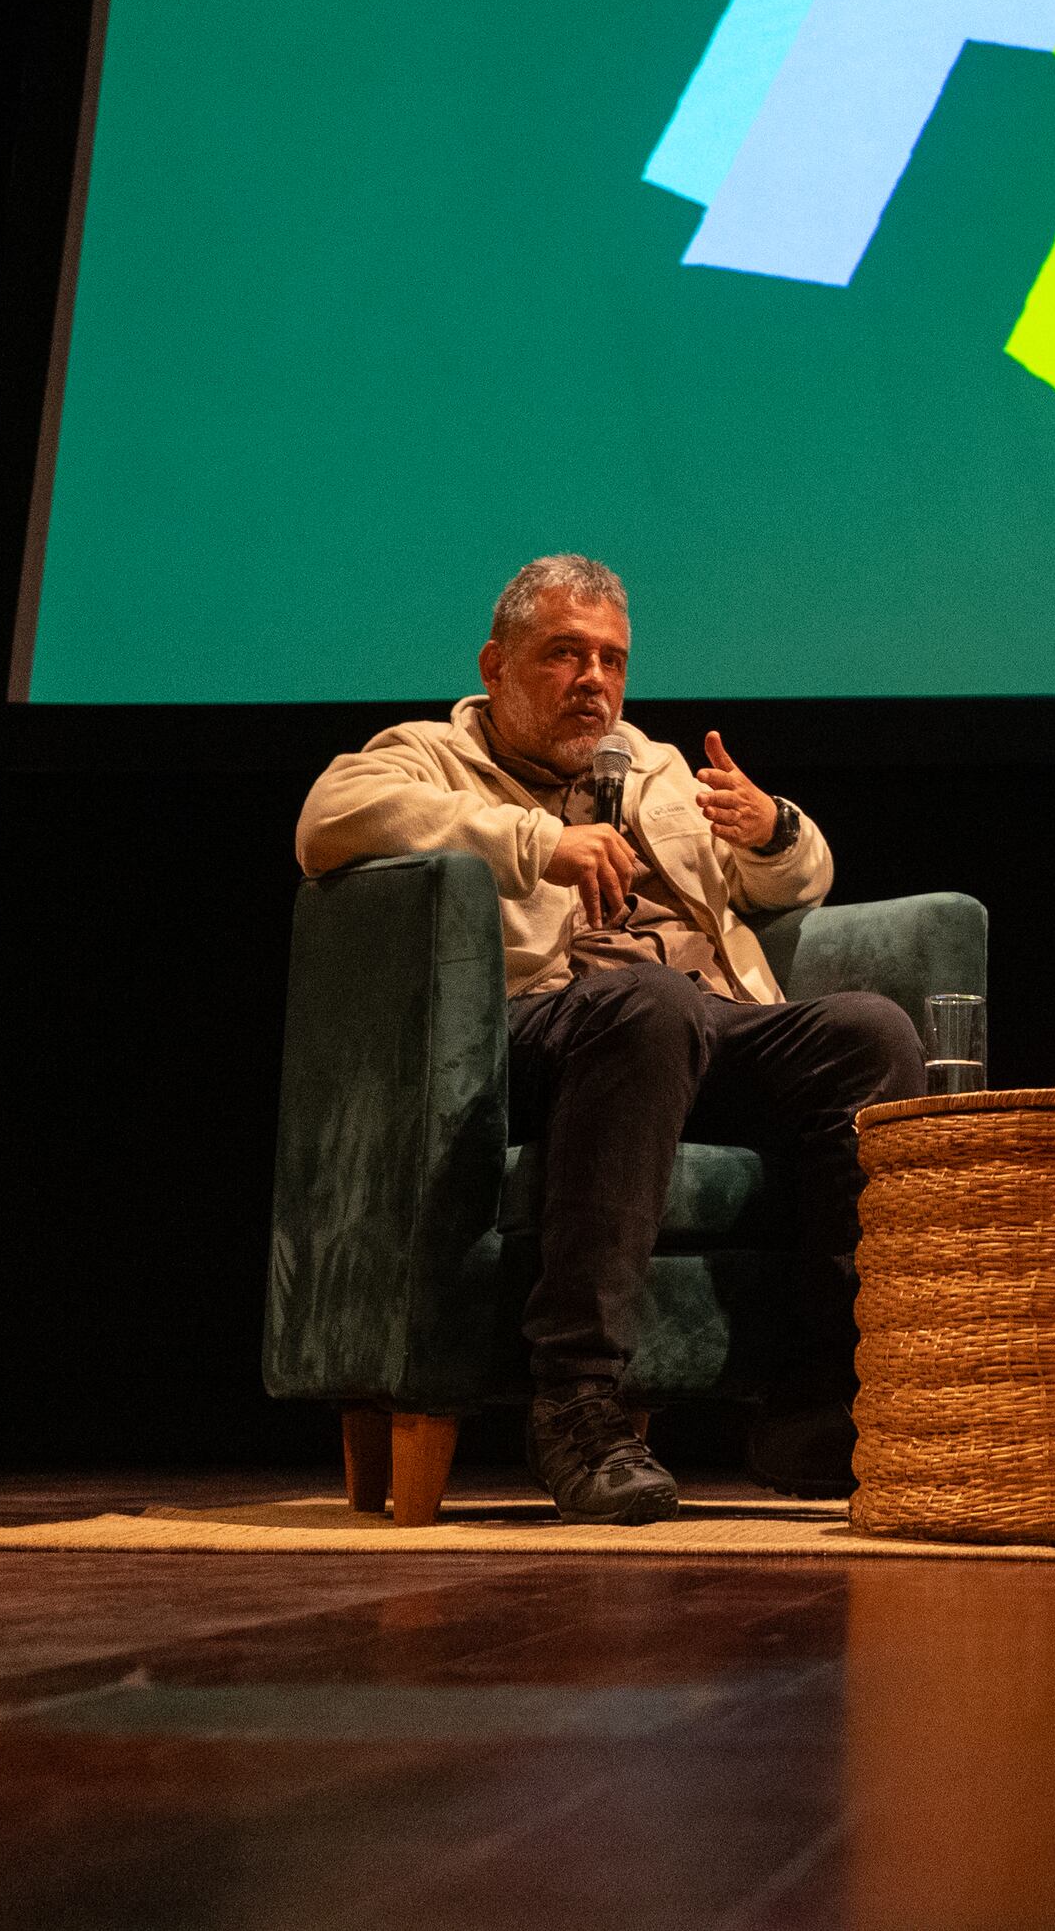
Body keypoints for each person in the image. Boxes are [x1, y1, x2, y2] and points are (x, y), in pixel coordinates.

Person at [295, 552, 924, 1523]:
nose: (593, 678)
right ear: (495, 664)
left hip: (695, 1022)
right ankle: (577, 1402)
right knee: (647, 1002)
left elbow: (793, 883)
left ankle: (819, 1402)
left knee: (866, 1032)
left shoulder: (657, 766)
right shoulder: (426, 753)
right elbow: (328, 820)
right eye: (563, 653)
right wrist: (536, 842)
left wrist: (769, 831)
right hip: (537, 1029)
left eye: (610, 658)